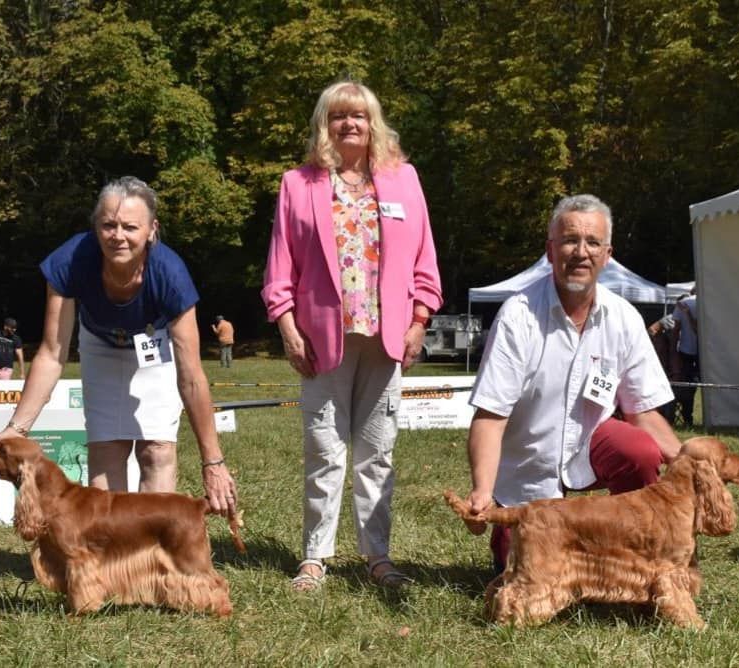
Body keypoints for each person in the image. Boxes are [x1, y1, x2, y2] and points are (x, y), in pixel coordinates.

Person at [262, 81, 442, 590]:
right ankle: (315, 556)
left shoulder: (404, 180)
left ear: (373, 123)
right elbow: (280, 267)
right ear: (325, 123)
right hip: (321, 338)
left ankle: (378, 556)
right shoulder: (298, 184)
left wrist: (419, 321)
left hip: (386, 337)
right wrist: (287, 327)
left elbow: (424, 260)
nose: (349, 124)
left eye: (359, 116)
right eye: (339, 115)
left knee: (377, 449)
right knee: (324, 449)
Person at [0, 176, 237, 515]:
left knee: (157, 451)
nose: (118, 236)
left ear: (151, 230)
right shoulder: (70, 261)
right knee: (106, 451)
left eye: (130, 227)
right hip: (99, 344)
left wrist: (213, 461)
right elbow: (52, 353)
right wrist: (17, 428)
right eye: (108, 225)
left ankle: (150, 556)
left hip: (154, 347)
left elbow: (191, 376)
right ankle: (109, 556)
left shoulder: (171, 274)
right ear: (96, 227)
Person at [460, 194, 683, 573]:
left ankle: (638, 553)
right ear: (550, 251)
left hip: (588, 450)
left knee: (639, 449)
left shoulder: (624, 318)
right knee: (527, 574)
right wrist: (482, 491)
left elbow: (643, 412)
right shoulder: (518, 316)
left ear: (607, 254)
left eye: (593, 242)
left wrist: (691, 465)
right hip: (527, 479)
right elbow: (490, 416)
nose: (581, 252)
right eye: (569, 240)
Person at [671, 287, 698, 428]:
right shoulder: (707, 303)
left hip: (686, 351)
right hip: (703, 352)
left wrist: (673, 353)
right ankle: (687, 418)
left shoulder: (683, 304)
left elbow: (676, 330)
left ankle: (687, 418)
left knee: (686, 387)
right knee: (690, 388)